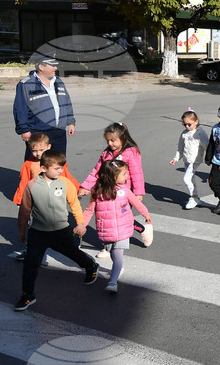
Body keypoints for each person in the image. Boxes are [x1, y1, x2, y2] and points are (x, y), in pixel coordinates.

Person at [14, 149, 99, 311]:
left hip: (61, 230)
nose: (60, 171)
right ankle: (27, 295)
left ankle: (90, 265)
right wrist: (21, 230)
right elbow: (25, 210)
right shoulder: (31, 185)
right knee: (30, 264)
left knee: (73, 253)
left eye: (61, 167)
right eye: (56, 168)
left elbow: (74, 203)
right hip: (38, 231)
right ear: (43, 168)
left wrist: (80, 223)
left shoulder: (65, 183)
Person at [82, 159, 152, 294]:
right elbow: (90, 210)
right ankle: (119, 268)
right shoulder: (98, 192)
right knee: (114, 254)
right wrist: (82, 225)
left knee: (118, 254)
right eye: (124, 174)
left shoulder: (124, 190)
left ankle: (113, 282)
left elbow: (136, 203)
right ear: (113, 176)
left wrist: (145, 214)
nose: (127, 176)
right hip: (106, 231)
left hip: (123, 228)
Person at [79, 122, 148, 256]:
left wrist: (138, 192)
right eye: (108, 140)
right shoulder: (106, 153)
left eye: (113, 140)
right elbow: (97, 171)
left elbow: (137, 173)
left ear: (123, 137)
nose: (110, 143)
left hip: (123, 193)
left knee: (121, 218)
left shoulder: (131, 152)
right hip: (106, 192)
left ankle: (141, 230)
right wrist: (86, 186)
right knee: (106, 218)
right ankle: (108, 245)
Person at [12, 132, 81, 263]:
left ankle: (73, 240)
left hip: (55, 200)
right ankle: (32, 252)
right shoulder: (28, 164)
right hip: (35, 203)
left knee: (59, 226)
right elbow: (24, 182)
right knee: (34, 228)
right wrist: (20, 199)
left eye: (41, 150)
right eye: (34, 150)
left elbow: (67, 177)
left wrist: (79, 188)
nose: (38, 153)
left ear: (49, 147)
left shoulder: (54, 162)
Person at [13, 57, 76, 159]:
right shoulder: (26, 84)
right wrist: (24, 129)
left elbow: (67, 102)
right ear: (41, 67)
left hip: (59, 130)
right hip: (38, 131)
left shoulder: (58, 81)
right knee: (35, 163)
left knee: (57, 162)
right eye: (52, 65)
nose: (55, 68)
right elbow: (20, 108)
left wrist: (71, 122)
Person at [170, 110, 209, 209]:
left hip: (195, 160)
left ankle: (193, 197)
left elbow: (207, 146)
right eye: (184, 124)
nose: (187, 126)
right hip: (186, 159)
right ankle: (195, 198)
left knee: (186, 179)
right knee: (192, 179)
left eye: (189, 124)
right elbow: (180, 147)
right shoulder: (184, 133)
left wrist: (210, 158)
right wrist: (176, 158)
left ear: (196, 121)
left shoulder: (200, 133)